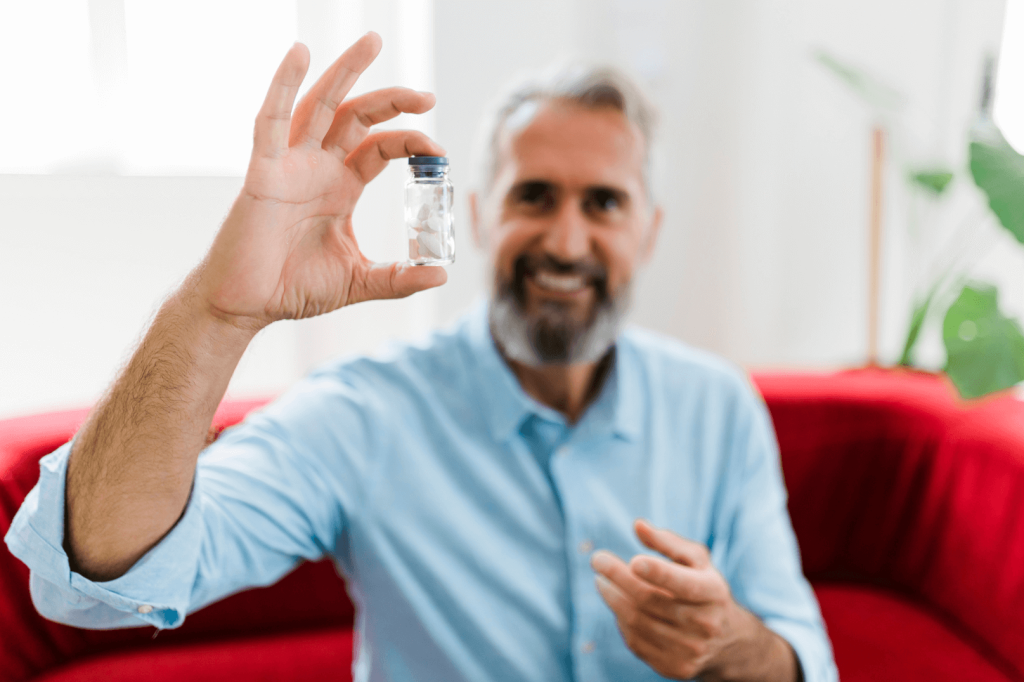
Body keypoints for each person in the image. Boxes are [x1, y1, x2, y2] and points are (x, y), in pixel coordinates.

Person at [5, 33, 837, 682]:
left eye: (605, 203)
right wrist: (217, 311)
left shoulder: (717, 408)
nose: (567, 238)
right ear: (476, 216)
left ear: (648, 232)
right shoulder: (364, 414)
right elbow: (96, 584)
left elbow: (802, 658)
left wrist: (731, 644)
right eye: (534, 196)